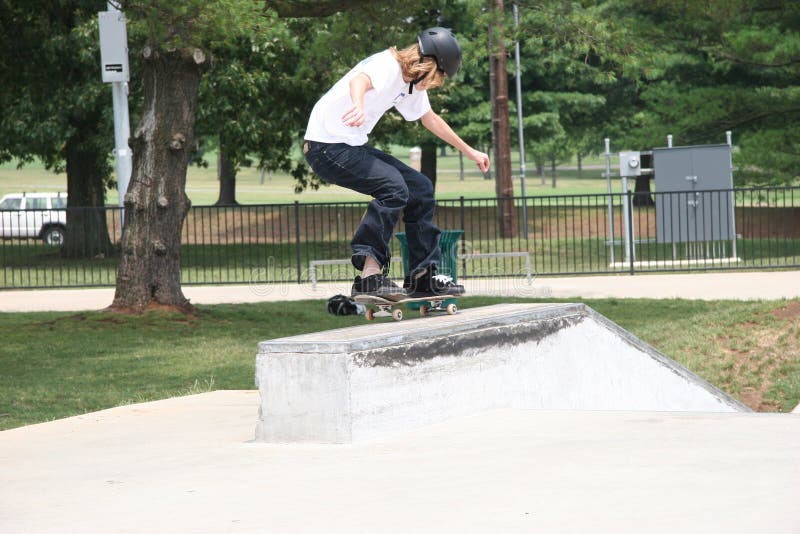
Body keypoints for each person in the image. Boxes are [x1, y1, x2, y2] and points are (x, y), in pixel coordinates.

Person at [303, 27, 490, 301]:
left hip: (349, 146)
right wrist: (358, 105)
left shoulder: (411, 83)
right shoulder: (388, 64)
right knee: (394, 188)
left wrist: (470, 151)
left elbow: (430, 119)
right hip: (325, 146)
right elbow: (360, 81)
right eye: (438, 77)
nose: (436, 83)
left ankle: (422, 275)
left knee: (420, 188)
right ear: (428, 63)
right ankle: (369, 276)